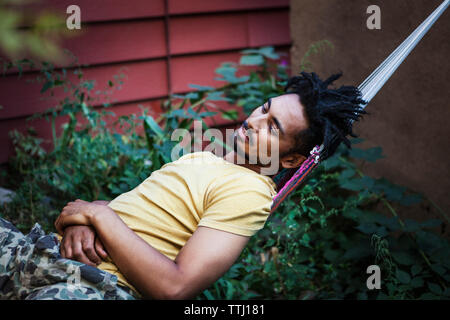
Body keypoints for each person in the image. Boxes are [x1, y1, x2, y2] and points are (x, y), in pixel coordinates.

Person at [0, 72, 366, 300]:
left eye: (273, 127)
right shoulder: (207, 158)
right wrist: (85, 219)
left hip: (94, 287)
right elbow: (132, 211)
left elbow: (174, 288)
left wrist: (98, 215)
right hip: (44, 255)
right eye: (264, 109)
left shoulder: (250, 192)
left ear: (290, 160)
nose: (255, 120)